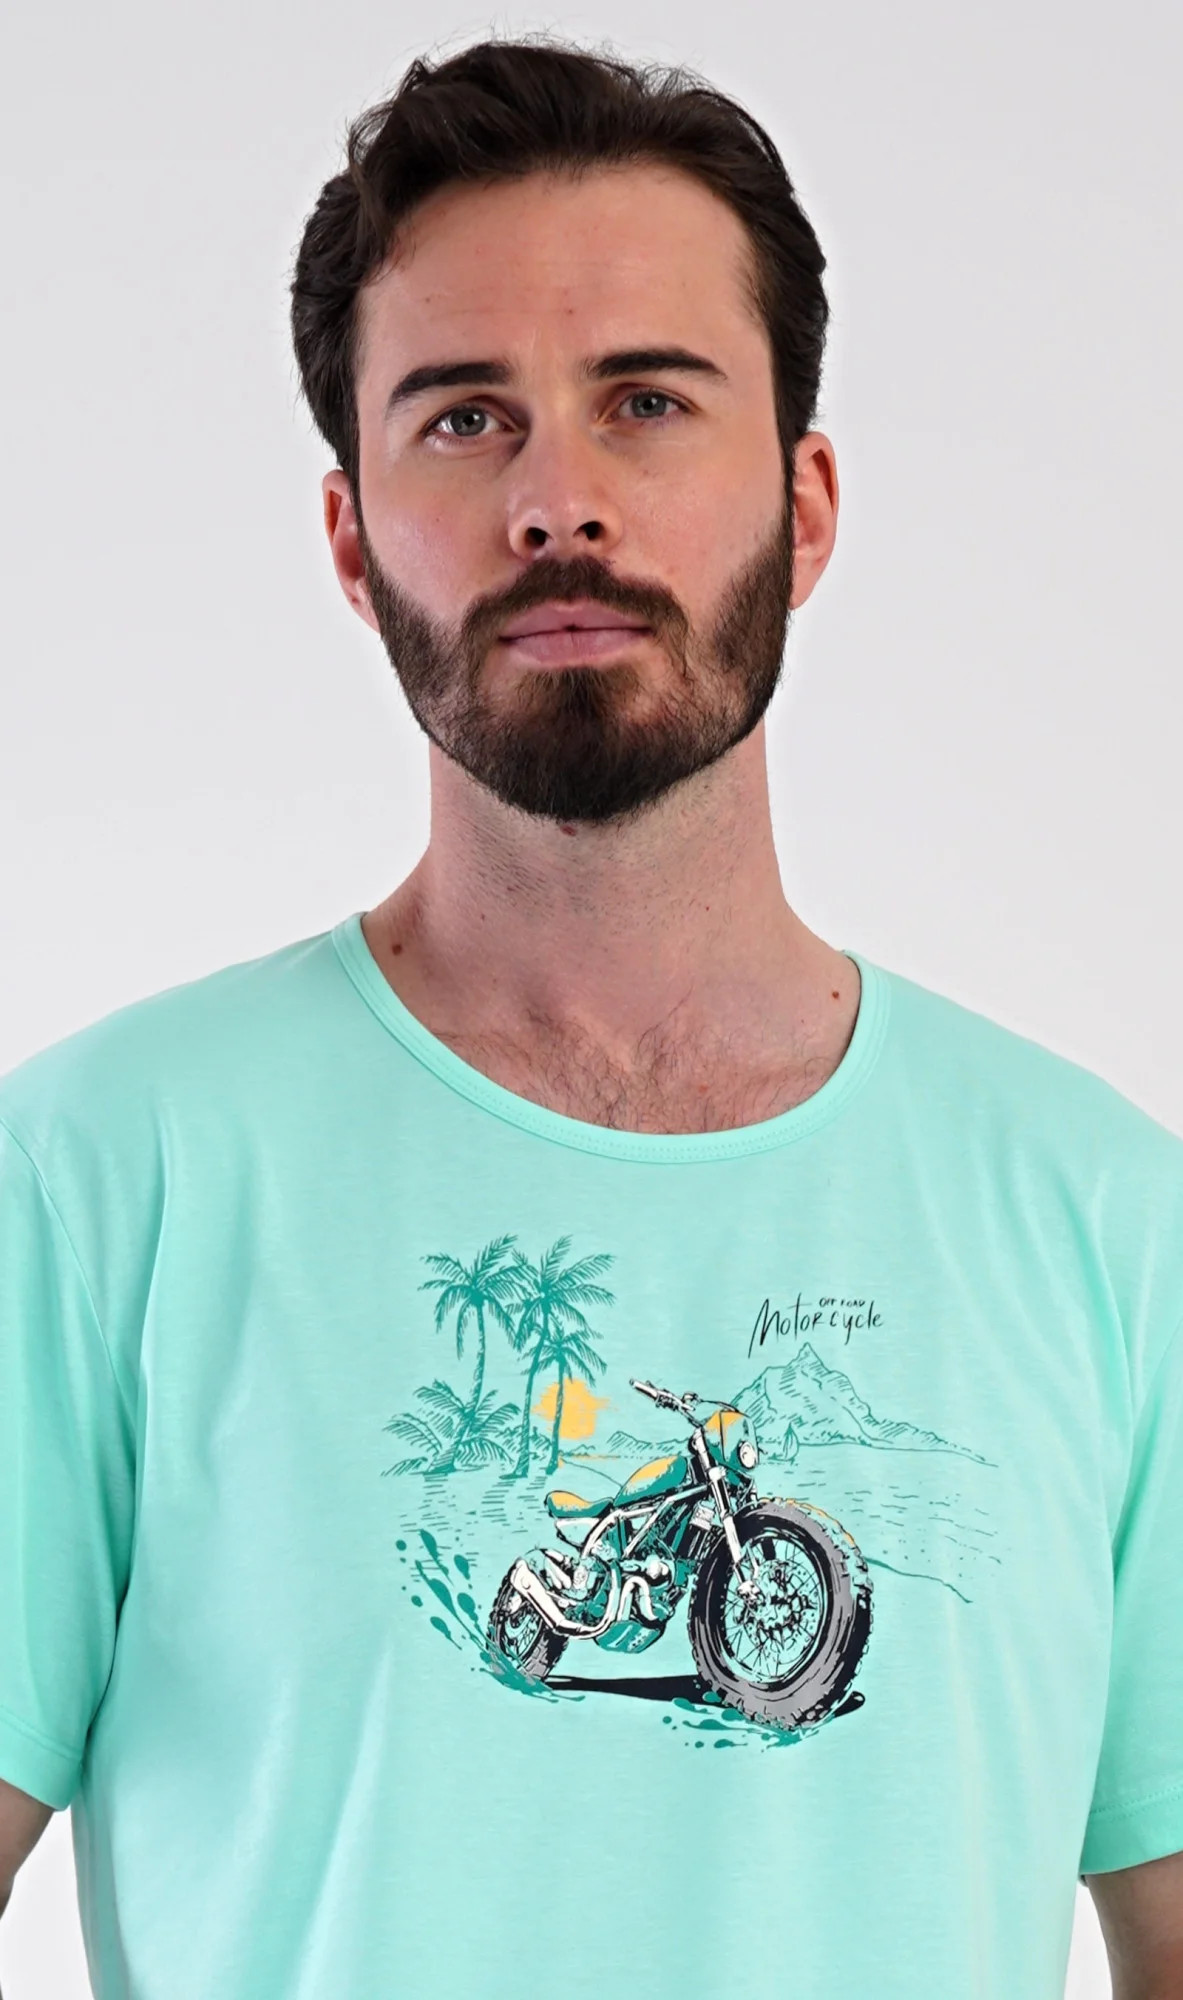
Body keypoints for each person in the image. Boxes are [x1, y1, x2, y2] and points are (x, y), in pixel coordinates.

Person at [0, 35, 1180, 2000]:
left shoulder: (1111, 1225)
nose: (557, 501)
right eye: (465, 418)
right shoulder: (91, 1181)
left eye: (646, 400)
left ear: (805, 503)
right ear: (350, 536)